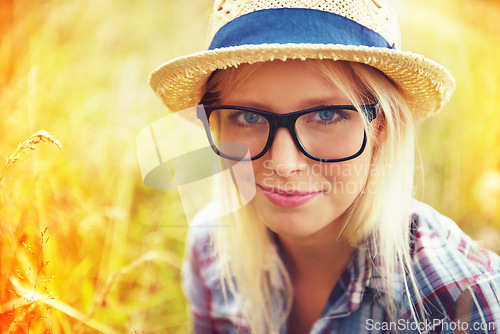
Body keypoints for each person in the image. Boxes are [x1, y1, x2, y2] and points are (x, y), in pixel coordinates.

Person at [148, 0, 500, 333]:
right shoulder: (211, 248)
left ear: (381, 127)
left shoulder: (460, 302)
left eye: (326, 115)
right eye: (248, 116)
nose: (284, 165)